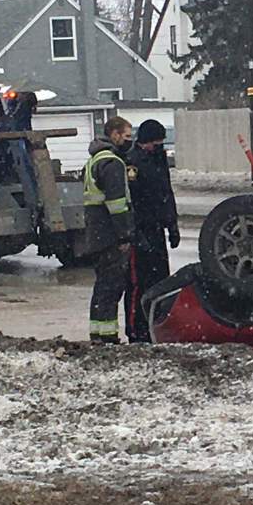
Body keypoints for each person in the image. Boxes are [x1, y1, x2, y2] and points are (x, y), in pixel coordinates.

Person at [124, 119, 181, 342]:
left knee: (160, 281)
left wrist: (172, 225)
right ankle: (136, 331)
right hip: (141, 231)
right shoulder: (133, 162)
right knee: (139, 284)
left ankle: (154, 327)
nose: (159, 147)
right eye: (155, 143)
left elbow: (166, 194)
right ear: (146, 141)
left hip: (157, 230)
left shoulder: (158, 161)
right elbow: (132, 202)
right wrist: (136, 234)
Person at [83, 116, 134, 343]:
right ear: (114, 134)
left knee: (102, 286)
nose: (129, 141)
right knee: (111, 288)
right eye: (127, 136)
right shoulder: (112, 163)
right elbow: (116, 204)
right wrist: (124, 235)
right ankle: (108, 337)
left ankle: (98, 333)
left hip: (96, 232)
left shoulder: (95, 160)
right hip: (109, 235)